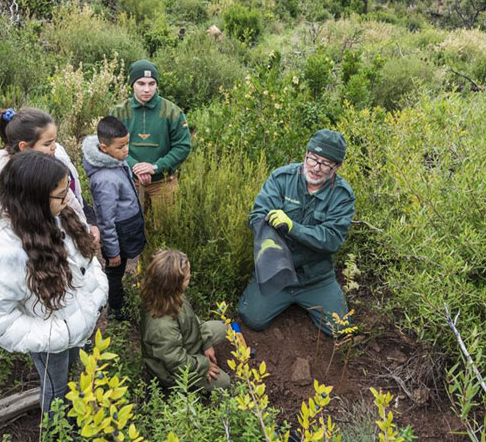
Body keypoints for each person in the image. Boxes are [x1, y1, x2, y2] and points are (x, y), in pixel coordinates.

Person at [0, 151, 108, 416]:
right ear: (35, 201)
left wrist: (97, 295)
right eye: (61, 194)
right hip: (51, 342)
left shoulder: (62, 218)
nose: (69, 199)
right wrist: (52, 335)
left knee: (80, 375)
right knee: (55, 390)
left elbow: (88, 262)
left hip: (80, 325)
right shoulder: (9, 254)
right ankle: (58, 432)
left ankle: (79, 419)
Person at [238, 129, 355, 336]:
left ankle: (312, 299)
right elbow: (257, 216)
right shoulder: (282, 178)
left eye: (325, 163)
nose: (316, 168)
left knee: (341, 329)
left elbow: (332, 239)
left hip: (316, 278)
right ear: (306, 154)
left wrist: (293, 227)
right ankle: (271, 293)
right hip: (277, 273)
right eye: (313, 159)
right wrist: (273, 262)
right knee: (251, 318)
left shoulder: (342, 196)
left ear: (336, 167)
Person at [0, 107, 99, 242]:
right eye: (48, 143)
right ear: (24, 147)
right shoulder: (19, 182)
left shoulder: (54, 153)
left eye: (54, 140)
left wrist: (87, 222)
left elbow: (71, 193)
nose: (54, 147)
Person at [81, 116, 145, 320]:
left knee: (120, 268)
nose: (126, 150)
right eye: (120, 147)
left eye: (127, 144)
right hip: (118, 232)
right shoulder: (104, 179)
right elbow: (106, 220)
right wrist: (112, 251)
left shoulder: (114, 160)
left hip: (125, 227)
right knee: (115, 271)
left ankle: (118, 302)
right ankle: (116, 310)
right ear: (103, 147)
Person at [140, 249, 230, 391]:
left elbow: (193, 319)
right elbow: (176, 362)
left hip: (187, 341)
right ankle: (183, 388)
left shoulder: (172, 295)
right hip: (173, 371)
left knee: (225, 328)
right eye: (187, 278)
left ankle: (199, 351)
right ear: (172, 284)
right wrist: (203, 365)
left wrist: (206, 343)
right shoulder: (161, 326)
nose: (191, 277)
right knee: (224, 383)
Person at [110, 60, 191, 213]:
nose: (147, 89)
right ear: (132, 84)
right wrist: (135, 167)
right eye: (141, 83)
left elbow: (182, 146)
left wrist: (155, 167)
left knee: (165, 229)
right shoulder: (119, 113)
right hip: (129, 182)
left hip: (163, 182)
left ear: (156, 84)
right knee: (133, 228)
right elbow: (112, 146)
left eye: (151, 83)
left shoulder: (172, 111)